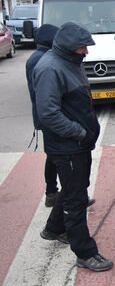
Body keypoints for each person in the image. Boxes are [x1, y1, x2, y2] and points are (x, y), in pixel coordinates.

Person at [33, 22, 113, 272]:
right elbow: (48, 113)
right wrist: (79, 132)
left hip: (77, 144)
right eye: (82, 48)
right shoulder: (50, 68)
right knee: (76, 198)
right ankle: (85, 252)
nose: (86, 53)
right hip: (68, 146)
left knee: (73, 189)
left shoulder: (69, 62)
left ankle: (54, 228)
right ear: (69, 47)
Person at [25, 24, 60, 207]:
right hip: (47, 116)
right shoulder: (41, 60)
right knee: (54, 155)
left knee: (53, 155)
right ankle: (51, 192)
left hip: (44, 115)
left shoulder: (38, 57)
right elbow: (41, 93)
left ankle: (52, 192)